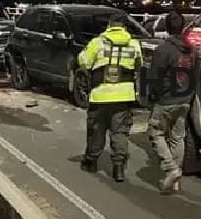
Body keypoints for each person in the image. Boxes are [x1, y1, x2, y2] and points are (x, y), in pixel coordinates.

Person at [77, 13, 143, 182]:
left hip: (100, 95)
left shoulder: (97, 42)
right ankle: (118, 168)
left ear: (109, 26)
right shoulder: (134, 44)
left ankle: (91, 161)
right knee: (119, 132)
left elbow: (83, 62)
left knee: (96, 130)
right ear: (124, 27)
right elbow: (139, 65)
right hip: (124, 97)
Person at [147, 11, 193, 193]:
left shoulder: (163, 50)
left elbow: (154, 77)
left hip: (167, 99)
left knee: (155, 133)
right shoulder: (190, 49)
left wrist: (151, 96)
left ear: (166, 27)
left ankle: (171, 169)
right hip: (185, 98)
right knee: (177, 138)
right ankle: (175, 179)